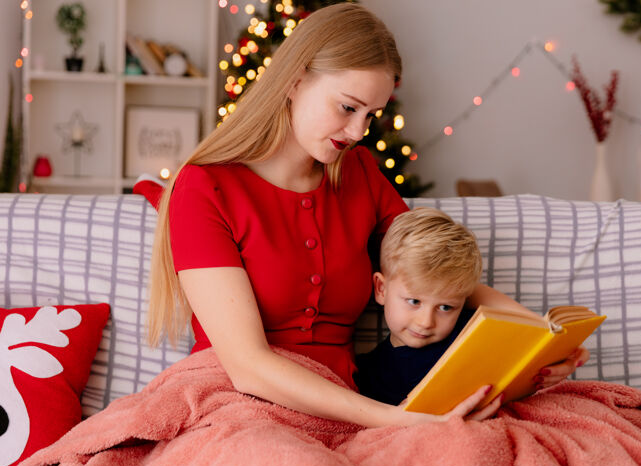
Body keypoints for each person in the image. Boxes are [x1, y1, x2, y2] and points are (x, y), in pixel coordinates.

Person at [147, 2, 587, 429]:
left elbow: (441, 278)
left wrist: (539, 340)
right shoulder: (204, 187)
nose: (358, 132)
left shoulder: (359, 173)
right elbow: (248, 367)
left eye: (370, 115)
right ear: (294, 81)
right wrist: (393, 420)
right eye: (347, 107)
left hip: (346, 405)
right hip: (237, 404)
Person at [354, 207, 588, 406]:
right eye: (414, 302)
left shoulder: (474, 330)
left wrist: (562, 352)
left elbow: (533, 342)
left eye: (446, 307)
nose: (426, 322)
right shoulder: (369, 372)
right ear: (381, 289)